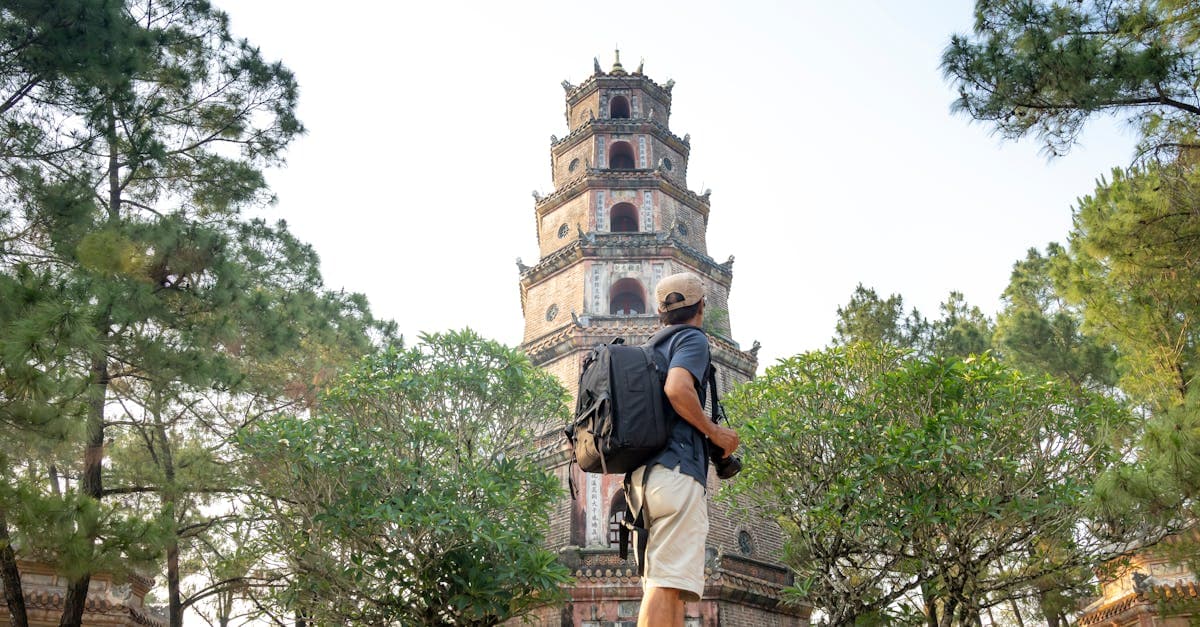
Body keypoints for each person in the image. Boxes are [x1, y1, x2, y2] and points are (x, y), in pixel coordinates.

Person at [627, 272, 740, 627]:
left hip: (644, 481)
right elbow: (678, 389)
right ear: (702, 306)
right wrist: (714, 432)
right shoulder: (691, 339)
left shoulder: (650, 351)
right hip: (676, 473)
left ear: (660, 312)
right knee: (665, 583)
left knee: (669, 586)